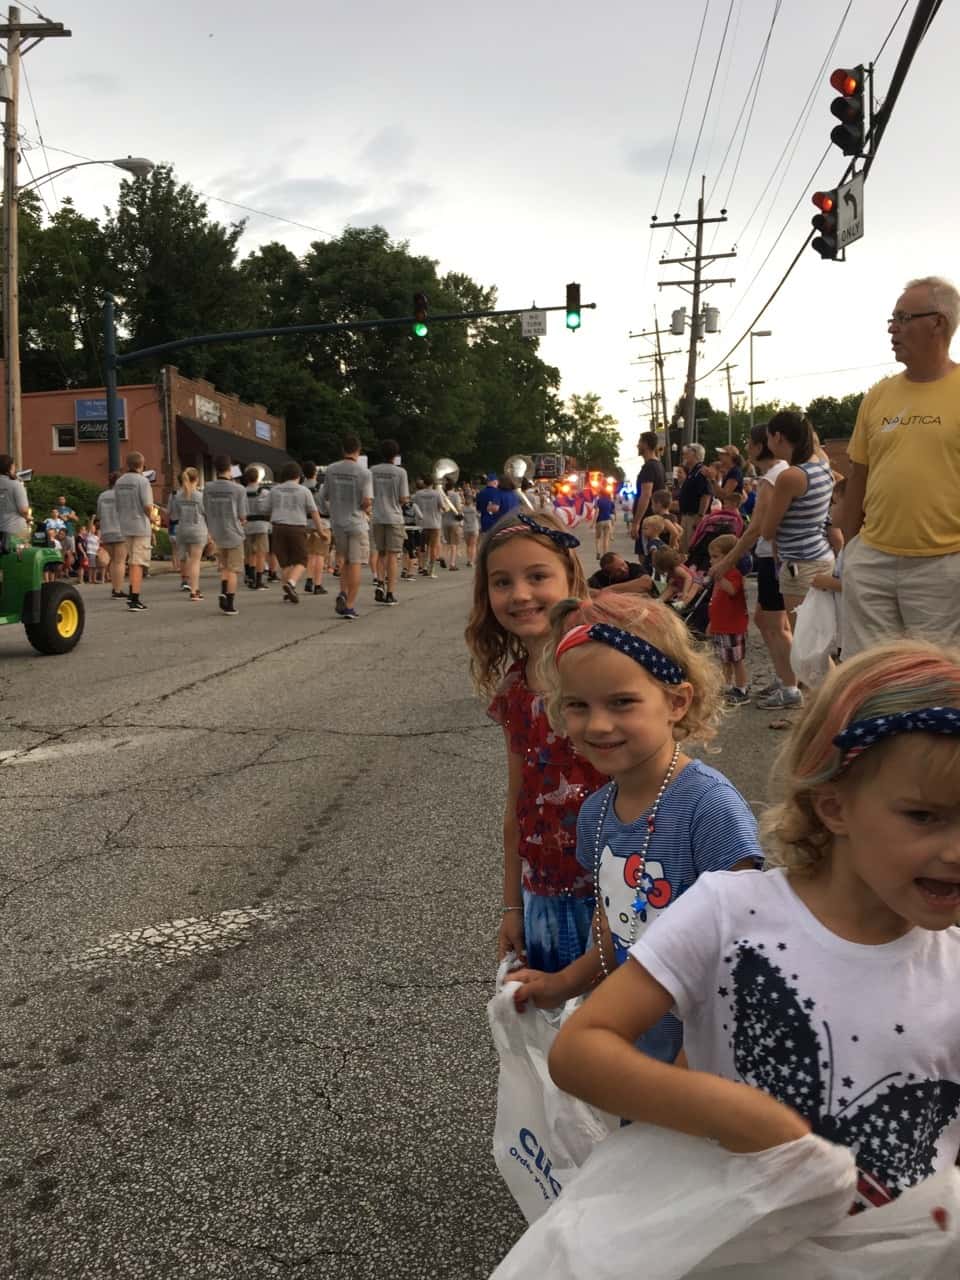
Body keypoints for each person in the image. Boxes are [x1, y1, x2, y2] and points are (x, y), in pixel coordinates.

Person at [549, 640, 960, 1212]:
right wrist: (727, 1110)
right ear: (833, 806)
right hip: (732, 1240)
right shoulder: (730, 912)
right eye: (924, 816)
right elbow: (580, 1051)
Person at [509, 593, 759, 1057]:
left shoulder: (710, 809)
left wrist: (688, 1070)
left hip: (703, 1060)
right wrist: (562, 984)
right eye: (578, 705)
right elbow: (612, 924)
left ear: (677, 702)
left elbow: (747, 953)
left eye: (622, 702)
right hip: (630, 1042)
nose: (598, 725)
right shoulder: (597, 811)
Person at [465, 510, 605, 973]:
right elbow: (516, 803)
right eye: (502, 582)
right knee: (554, 1034)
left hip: (623, 891)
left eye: (538, 576)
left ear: (570, 577)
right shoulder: (514, 690)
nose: (520, 594)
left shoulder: (604, 667)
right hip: (543, 894)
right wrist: (511, 906)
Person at [841, 276, 960, 658]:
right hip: (872, 561)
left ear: (938, 323)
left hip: (944, 568)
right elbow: (858, 477)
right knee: (870, 675)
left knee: (933, 680)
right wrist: (850, 553)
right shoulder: (879, 395)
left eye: (903, 318)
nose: (893, 328)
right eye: (892, 319)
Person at [710, 422, 798, 707]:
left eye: (750, 442)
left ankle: (791, 686)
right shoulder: (779, 472)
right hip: (775, 556)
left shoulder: (773, 477)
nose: (746, 448)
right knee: (767, 620)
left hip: (774, 556)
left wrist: (727, 561)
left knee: (774, 624)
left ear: (761, 446)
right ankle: (787, 676)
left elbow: (756, 527)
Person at [762, 411, 834, 703]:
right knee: (820, 641)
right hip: (821, 556)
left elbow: (768, 528)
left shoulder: (791, 476)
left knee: (808, 646)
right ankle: (832, 701)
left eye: (769, 437)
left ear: (779, 437)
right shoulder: (823, 467)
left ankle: (830, 706)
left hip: (798, 565)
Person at [321, 436, 373, 619]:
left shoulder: (331, 469)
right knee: (356, 563)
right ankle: (349, 605)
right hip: (356, 522)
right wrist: (364, 507)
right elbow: (367, 501)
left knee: (343, 560)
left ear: (343, 450)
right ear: (358, 451)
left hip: (338, 523)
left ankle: (342, 592)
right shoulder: (364, 472)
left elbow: (325, 495)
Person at [266, 461, 325, 605]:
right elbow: (314, 512)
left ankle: (288, 591)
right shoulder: (303, 491)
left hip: (278, 527)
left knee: (285, 563)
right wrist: (321, 531)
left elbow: (266, 509)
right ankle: (291, 584)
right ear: (299, 476)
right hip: (296, 527)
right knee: (302, 560)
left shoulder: (274, 490)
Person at [203, 454, 247, 616]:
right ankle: (229, 602)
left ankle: (223, 591)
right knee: (233, 569)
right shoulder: (238, 489)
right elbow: (242, 515)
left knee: (223, 567)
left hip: (215, 531)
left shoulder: (208, 487)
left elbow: (205, 510)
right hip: (233, 532)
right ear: (230, 469)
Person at [707, 534, 749, 704]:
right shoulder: (723, 575)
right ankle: (727, 686)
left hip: (732, 626)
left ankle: (742, 688)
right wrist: (712, 622)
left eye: (715, 557)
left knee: (736, 660)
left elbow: (732, 590)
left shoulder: (732, 574)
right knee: (725, 660)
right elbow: (716, 602)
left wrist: (718, 576)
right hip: (721, 624)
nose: (711, 561)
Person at [369, 440, 409, 604]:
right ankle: (390, 592)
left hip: (377, 516)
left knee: (380, 552)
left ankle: (379, 582)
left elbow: (368, 494)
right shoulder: (400, 472)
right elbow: (403, 498)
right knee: (393, 556)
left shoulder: (372, 471)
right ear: (396, 455)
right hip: (394, 517)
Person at [113, 452, 154, 611]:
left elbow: (117, 504)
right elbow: (148, 506)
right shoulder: (143, 481)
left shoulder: (119, 481)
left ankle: (132, 593)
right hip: (140, 525)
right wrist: (153, 518)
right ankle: (134, 597)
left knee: (131, 559)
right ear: (142, 464)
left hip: (125, 524)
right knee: (138, 562)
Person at [169, 467, 208, 602]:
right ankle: (194, 590)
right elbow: (206, 512)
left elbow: (173, 515)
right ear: (196, 479)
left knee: (186, 559)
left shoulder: (176, 496)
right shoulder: (200, 496)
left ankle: (186, 582)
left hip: (182, 528)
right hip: (197, 528)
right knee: (195, 561)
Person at [630, 431, 666, 545]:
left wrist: (636, 522)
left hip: (648, 520)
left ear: (645, 444)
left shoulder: (649, 467)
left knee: (645, 556)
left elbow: (646, 495)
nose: (637, 445)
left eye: (639, 442)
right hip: (654, 518)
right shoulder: (658, 465)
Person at [96, 472, 127, 599]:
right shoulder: (123, 496)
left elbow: (98, 514)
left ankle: (115, 587)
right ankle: (118, 589)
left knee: (113, 561)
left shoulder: (102, 496)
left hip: (106, 530)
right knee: (120, 561)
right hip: (120, 530)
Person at [676, 443, 712, 551]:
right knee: (684, 548)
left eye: (688, 452)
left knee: (691, 547)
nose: (684, 455)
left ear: (695, 454)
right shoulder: (692, 472)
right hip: (687, 515)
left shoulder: (700, 472)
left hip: (694, 516)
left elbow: (705, 495)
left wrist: (700, 516)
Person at [242, 466, 272, 592]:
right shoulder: (264, 492)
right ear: (258, 478)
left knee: (249, 553)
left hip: (247, 525)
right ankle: (259, 581)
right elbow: (269, 508)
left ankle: (250, 576)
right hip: (261, 525)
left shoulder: (242, 492)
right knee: (261, 553)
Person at [412, 475, 444, 579]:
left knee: (422, 547)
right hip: (434, 523)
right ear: (432, 484)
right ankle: (431, 569)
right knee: (433, 547)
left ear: (424, 483)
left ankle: (422, 567)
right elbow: (442, 507)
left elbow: (414, 506)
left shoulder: (418, 494)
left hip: (421, 523)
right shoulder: (437, 493)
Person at [588, 552, 653, 595]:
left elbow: (647, 583)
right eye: (618, 570)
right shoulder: (600, 576)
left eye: (623, 564)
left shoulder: (634, 567)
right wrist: (599, 593)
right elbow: (583, 588)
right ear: (609, 574)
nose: (623, 570)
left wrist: (608, 590)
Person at [0, 453, 29, 546]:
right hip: (15, 530)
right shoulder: (16, 485)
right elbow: (24, 510)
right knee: (22, 558)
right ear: (10, 467)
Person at [440, 476, 463, 572]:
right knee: (454, 543)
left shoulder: (443, 495)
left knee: (446, 542)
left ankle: (443, 557)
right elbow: (458, 508)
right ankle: (452, 563)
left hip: (444, 521)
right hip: (454, 522)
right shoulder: (455, 495)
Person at [593, 489, 616, 560]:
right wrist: (615, 519)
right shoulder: (610, 501)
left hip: (600, 521)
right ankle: (605, 554)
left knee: (598, 538)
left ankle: (598, 552)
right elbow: (613, 511)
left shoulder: (598, 501)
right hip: (608, 521)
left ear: (600, 494)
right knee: (606, 539)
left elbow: (597, 512)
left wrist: (593, 522)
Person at [462, 490, 479, 567]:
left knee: (468, 545)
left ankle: (468, 559)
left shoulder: (462, 509)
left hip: (466, 528)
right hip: (474, 527)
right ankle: (472, 561)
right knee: (473, 545)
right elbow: (479, 516)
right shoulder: (475, 509)